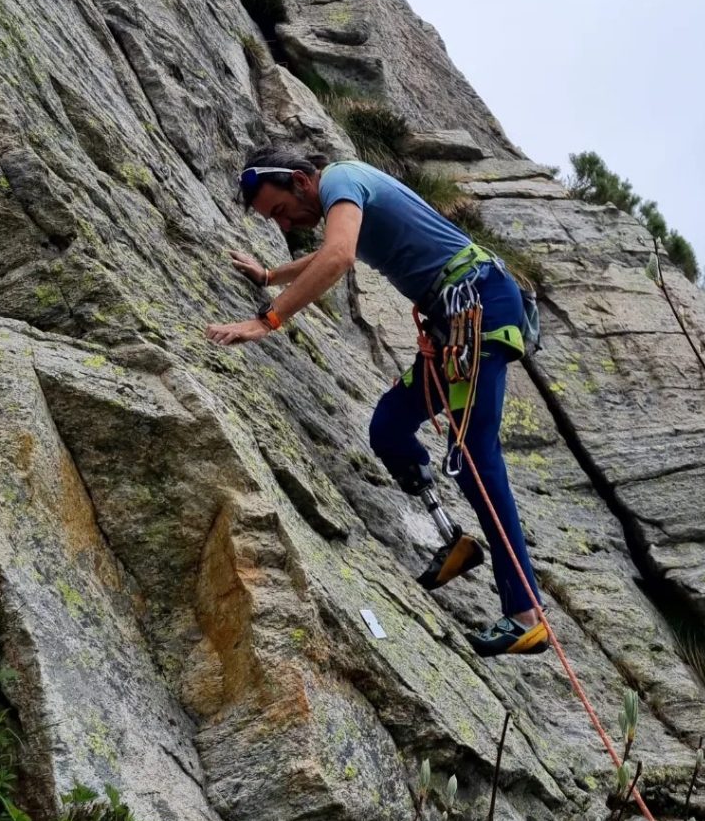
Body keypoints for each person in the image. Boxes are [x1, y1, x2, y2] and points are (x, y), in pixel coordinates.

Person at [206, 149, 548, 657]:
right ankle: (453, 540)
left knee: (476, 457)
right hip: (452, 317)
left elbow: (338, 256)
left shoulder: (342, 178)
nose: (281, 222)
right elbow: (331, 252)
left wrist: (267, 319)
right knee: (389, 428)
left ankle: (525, 615)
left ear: (301, 181)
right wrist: (270, 275)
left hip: (477, 305)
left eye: (278, 210)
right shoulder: (347, 199)